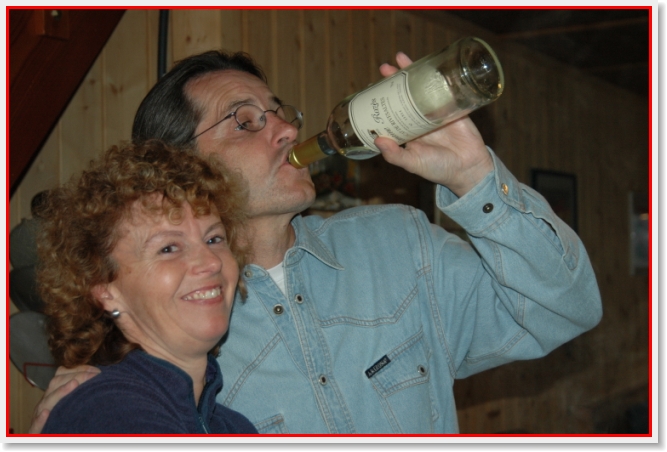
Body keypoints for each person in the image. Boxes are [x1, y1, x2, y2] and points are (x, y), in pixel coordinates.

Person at [31, 50, 602, 434]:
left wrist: (474, 176)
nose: (286, 129)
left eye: (279, 112)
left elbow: (565, 309)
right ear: (180, 165)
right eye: (245, 121)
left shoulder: (399, 243)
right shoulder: (177, 333)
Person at [35, 141, 257, 434]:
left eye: (214, 239)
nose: (211, 262)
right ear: (105, 290)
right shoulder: (108, 412)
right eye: (169, 248)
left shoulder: (232, 426)